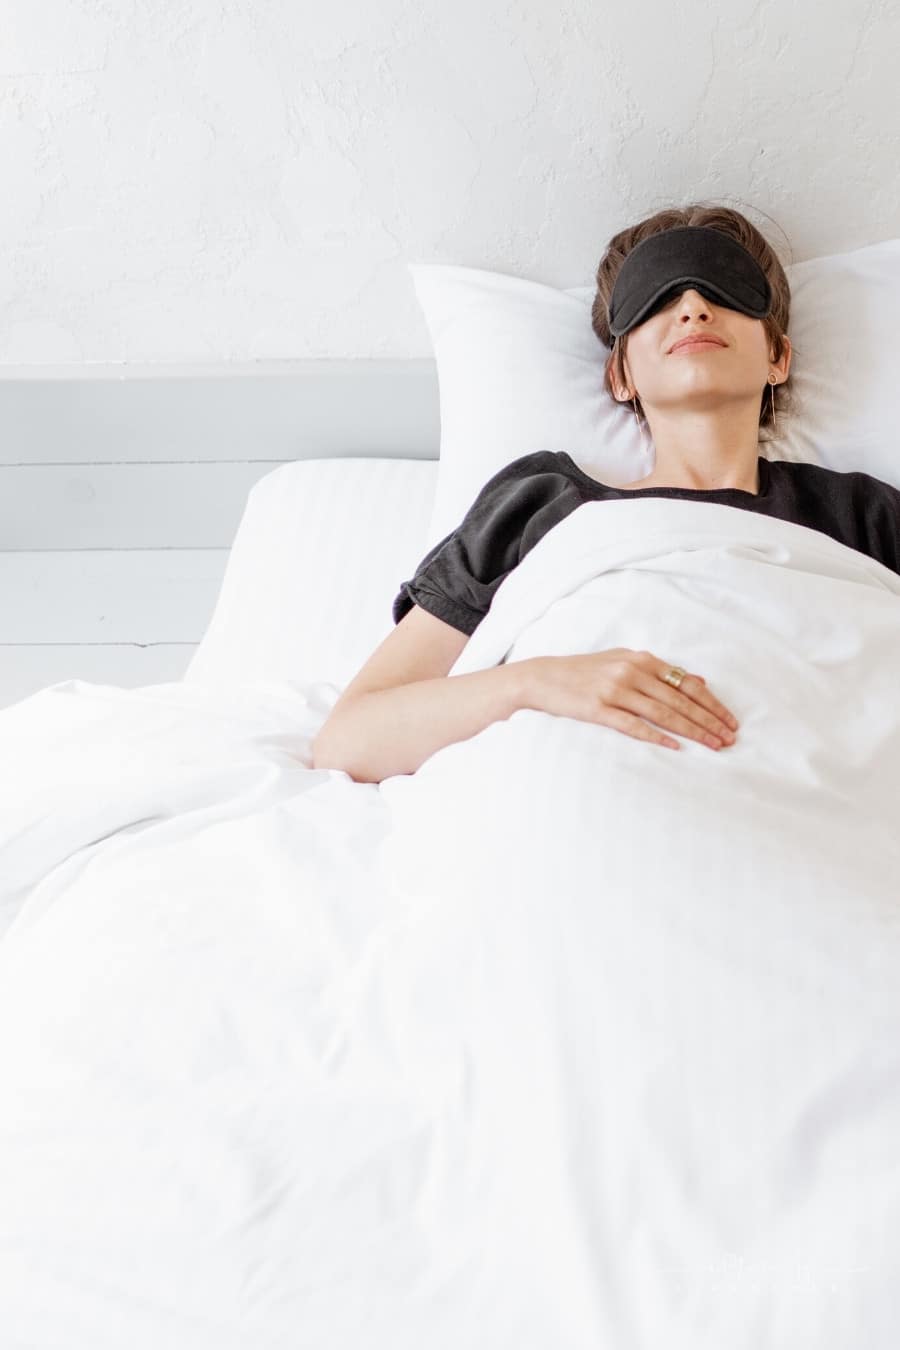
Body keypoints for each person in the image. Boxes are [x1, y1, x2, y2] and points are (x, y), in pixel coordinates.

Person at [311, 203, 900, 785]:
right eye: (658, 299)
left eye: (725, 291)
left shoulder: (861, 515)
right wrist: (537, 682)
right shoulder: (541, 506)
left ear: (778, 358)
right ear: (620, 376)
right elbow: (350, 739)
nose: (693, 309)